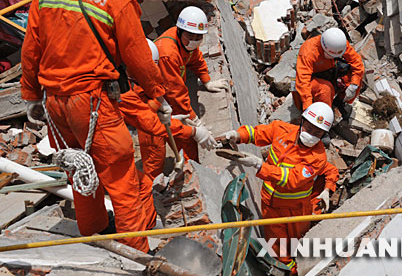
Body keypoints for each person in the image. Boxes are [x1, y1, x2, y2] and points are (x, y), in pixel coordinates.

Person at [21, 0, 169, 253]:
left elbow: (31, 47)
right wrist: (159, 95)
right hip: (90, 105)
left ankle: (94, 236)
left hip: (54, 104)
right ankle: (136, 255)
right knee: (122, 181)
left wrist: (31, 95)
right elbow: (138, 57)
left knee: (80, 171)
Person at [221, 102, 339, 274]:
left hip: (297, 210)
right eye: (309, 127)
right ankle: (289, 271)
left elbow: (291, 179)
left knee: (299, 246)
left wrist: (259, 165)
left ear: (324, 135)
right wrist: (237, 135)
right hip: (270, 207)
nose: (312, 134)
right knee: (278, 251)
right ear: (301, 121)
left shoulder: (317, 157)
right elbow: (257, 133)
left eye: (318, 132)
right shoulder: (282, 130)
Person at [128, 40, 217, 179]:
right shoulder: (123, 91)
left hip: (147, 109)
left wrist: (162, 103)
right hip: (116, 129)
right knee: (153, 153)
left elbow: (154, 86)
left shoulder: (143, 73)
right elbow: (151, 124)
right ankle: (153, 187)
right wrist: (193, 130)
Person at [151, 6, 227, 161]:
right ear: (180, 31)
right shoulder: (168, 53)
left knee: (186, 133)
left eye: (198, 37)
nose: (194, 40)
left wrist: (207, 81)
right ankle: (188, 168)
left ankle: (191, 164)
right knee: (173, 138)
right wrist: (196, 121)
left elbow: (196, 60)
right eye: (190, 35)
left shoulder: (185, 43)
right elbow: (175, 92)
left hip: (170, 92)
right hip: (155, 98)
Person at [293, 27, 365, 120]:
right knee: (326, 90)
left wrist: (354, 85)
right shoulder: (308, 52)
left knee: (354, 76)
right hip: (313, 78)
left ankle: (340, 101)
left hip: (329, 70)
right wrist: (308, 108)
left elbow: (357, 63)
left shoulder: (339, 44)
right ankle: (323, 118)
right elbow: (303, 82)